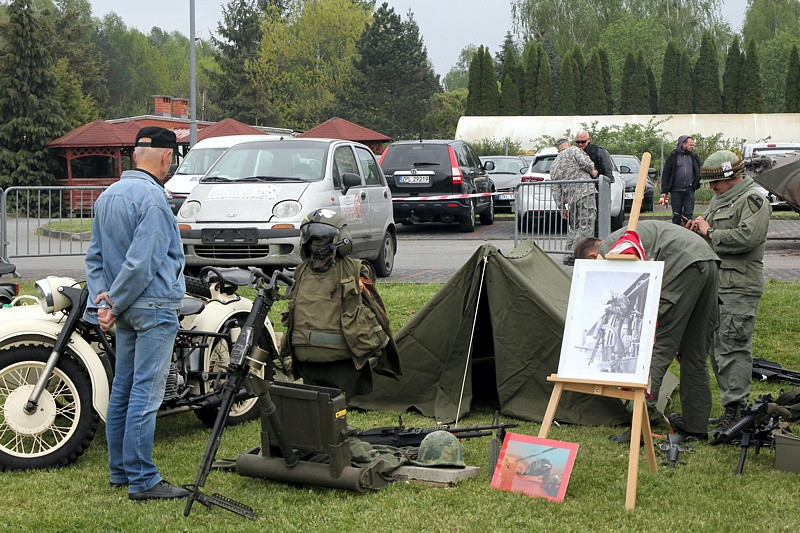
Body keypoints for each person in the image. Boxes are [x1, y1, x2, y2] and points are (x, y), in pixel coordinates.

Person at [84, 126, 189, 501]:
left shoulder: (107, 196)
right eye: (171, 161)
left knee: (124, 392)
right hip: (153, 307)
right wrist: (113, 303)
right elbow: (142, 263)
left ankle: (120, 472)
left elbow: (95, 258)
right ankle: (143, 480)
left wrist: (105, 303)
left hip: (125, 311)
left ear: (133, 156)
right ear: (166, 158)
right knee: (146, 395)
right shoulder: (155, 200)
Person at [575, 220, 720, 440]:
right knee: (694, 352)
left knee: (654, 346)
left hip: (683, 265)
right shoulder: (627, 235)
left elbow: (627, 296)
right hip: (706, 260)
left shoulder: (612, 249)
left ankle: (639, 427)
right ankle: (696, 426)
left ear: (593, 258)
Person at [686, 150, 771, 437]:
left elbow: (748, 238)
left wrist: (710, 233)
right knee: (716, 348)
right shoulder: (723, 199)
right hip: (717, 285)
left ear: (731, 178)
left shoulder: (754, 200)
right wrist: (697, 230)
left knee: (732, 348)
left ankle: (737, 412)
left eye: (714, 183)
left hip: (739, 287)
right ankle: (729, 410)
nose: (711, 188)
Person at [281, 209, 401, 400]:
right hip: (341, 356)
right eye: (312, 237)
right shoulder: (355, 269)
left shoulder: (301, 271)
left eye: (320, 237)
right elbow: (377, 310)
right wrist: (386, 350)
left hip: (305, 354)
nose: (315, 242)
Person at [549, 138, 599, 265]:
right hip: (585, 193)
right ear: (569, 144)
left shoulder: (554, 164)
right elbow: (585, 163)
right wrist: (593, 172)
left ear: (558, 150)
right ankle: (581, 256)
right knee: (586, 226)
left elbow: (556, 189)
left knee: (574, 228)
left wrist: (562, 208)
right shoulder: (574, 150)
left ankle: (569, 255)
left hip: (571, 199)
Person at [661, 135, 702, 226]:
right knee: (676, 215)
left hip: (689, 190)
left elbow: (700, 171)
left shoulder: (694, 157)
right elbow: (666, 174)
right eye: (690, 145)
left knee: (688, 214)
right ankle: (676, 233)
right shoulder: (673, 157)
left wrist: (697, 183)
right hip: (676, 191)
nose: (692, 147)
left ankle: (688, 234)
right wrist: (664, 191)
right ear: (683, 144)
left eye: (693, 145)